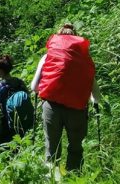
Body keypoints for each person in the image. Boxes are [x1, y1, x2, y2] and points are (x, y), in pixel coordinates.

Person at [30, 23, 102, 173]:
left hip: (51, 106)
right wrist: (94, 102)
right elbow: (95, 93)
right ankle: (73, 178)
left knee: (52, 149)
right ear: (75, 37)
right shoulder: (84, 58)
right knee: (76, 148)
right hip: (77, 109)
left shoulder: (47, 56)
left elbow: (34, 87)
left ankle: (52, 180)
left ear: (58, 37)